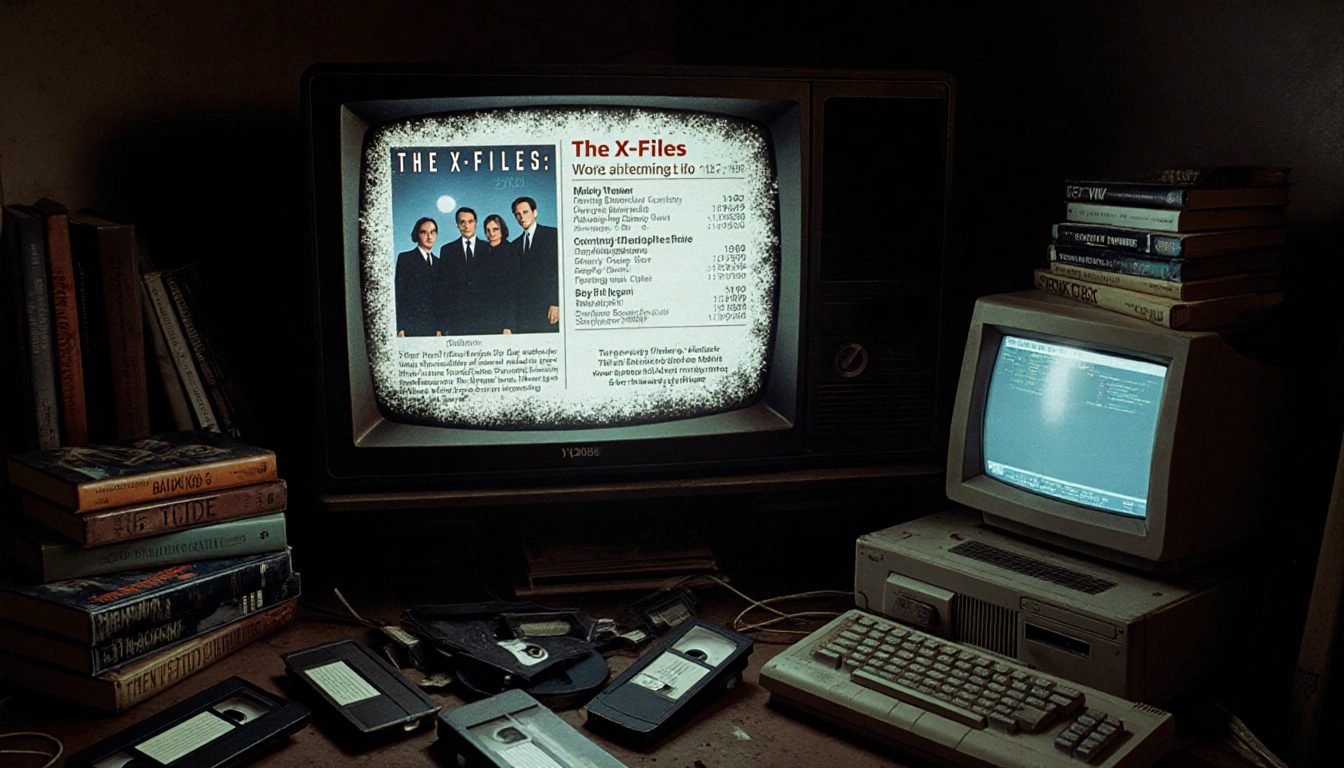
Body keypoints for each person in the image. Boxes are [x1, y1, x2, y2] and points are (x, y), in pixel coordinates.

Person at [436, 207, 490, 335]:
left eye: (470, 221)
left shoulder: (488, 248)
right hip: (457, 319)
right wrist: (443, 324)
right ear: (457, 225)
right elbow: (443, 288)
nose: (467, 226)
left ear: (476, 222)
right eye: (462, 222)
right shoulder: (447, 250)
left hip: (486, 318)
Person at [511, 196, 559, 334]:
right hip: (524, 311)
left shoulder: (552, 235)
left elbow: (557, 271)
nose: (522, 217)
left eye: (525, 212)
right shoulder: (515, 245)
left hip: (548, 307)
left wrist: (555, 302)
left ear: (535, 212)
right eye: (517, 214)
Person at [394, 217, 439, 337]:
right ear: (416, 234)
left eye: (433, 232)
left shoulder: (439, 263)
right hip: (411, 326)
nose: (429, 237)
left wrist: (440, 327)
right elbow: (399, 294)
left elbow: (440, 298)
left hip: (433, 328)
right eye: (424, 232)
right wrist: (400, 327)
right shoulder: (405, 259)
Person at [478, 213, 520, 334]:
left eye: (495, 229)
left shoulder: (511, 250)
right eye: (488, 230)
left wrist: (509, 324)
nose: (491, 233)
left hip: (502, 314)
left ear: (502, 229)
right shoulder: (482, 250)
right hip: (482, 314)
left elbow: (513, 288)